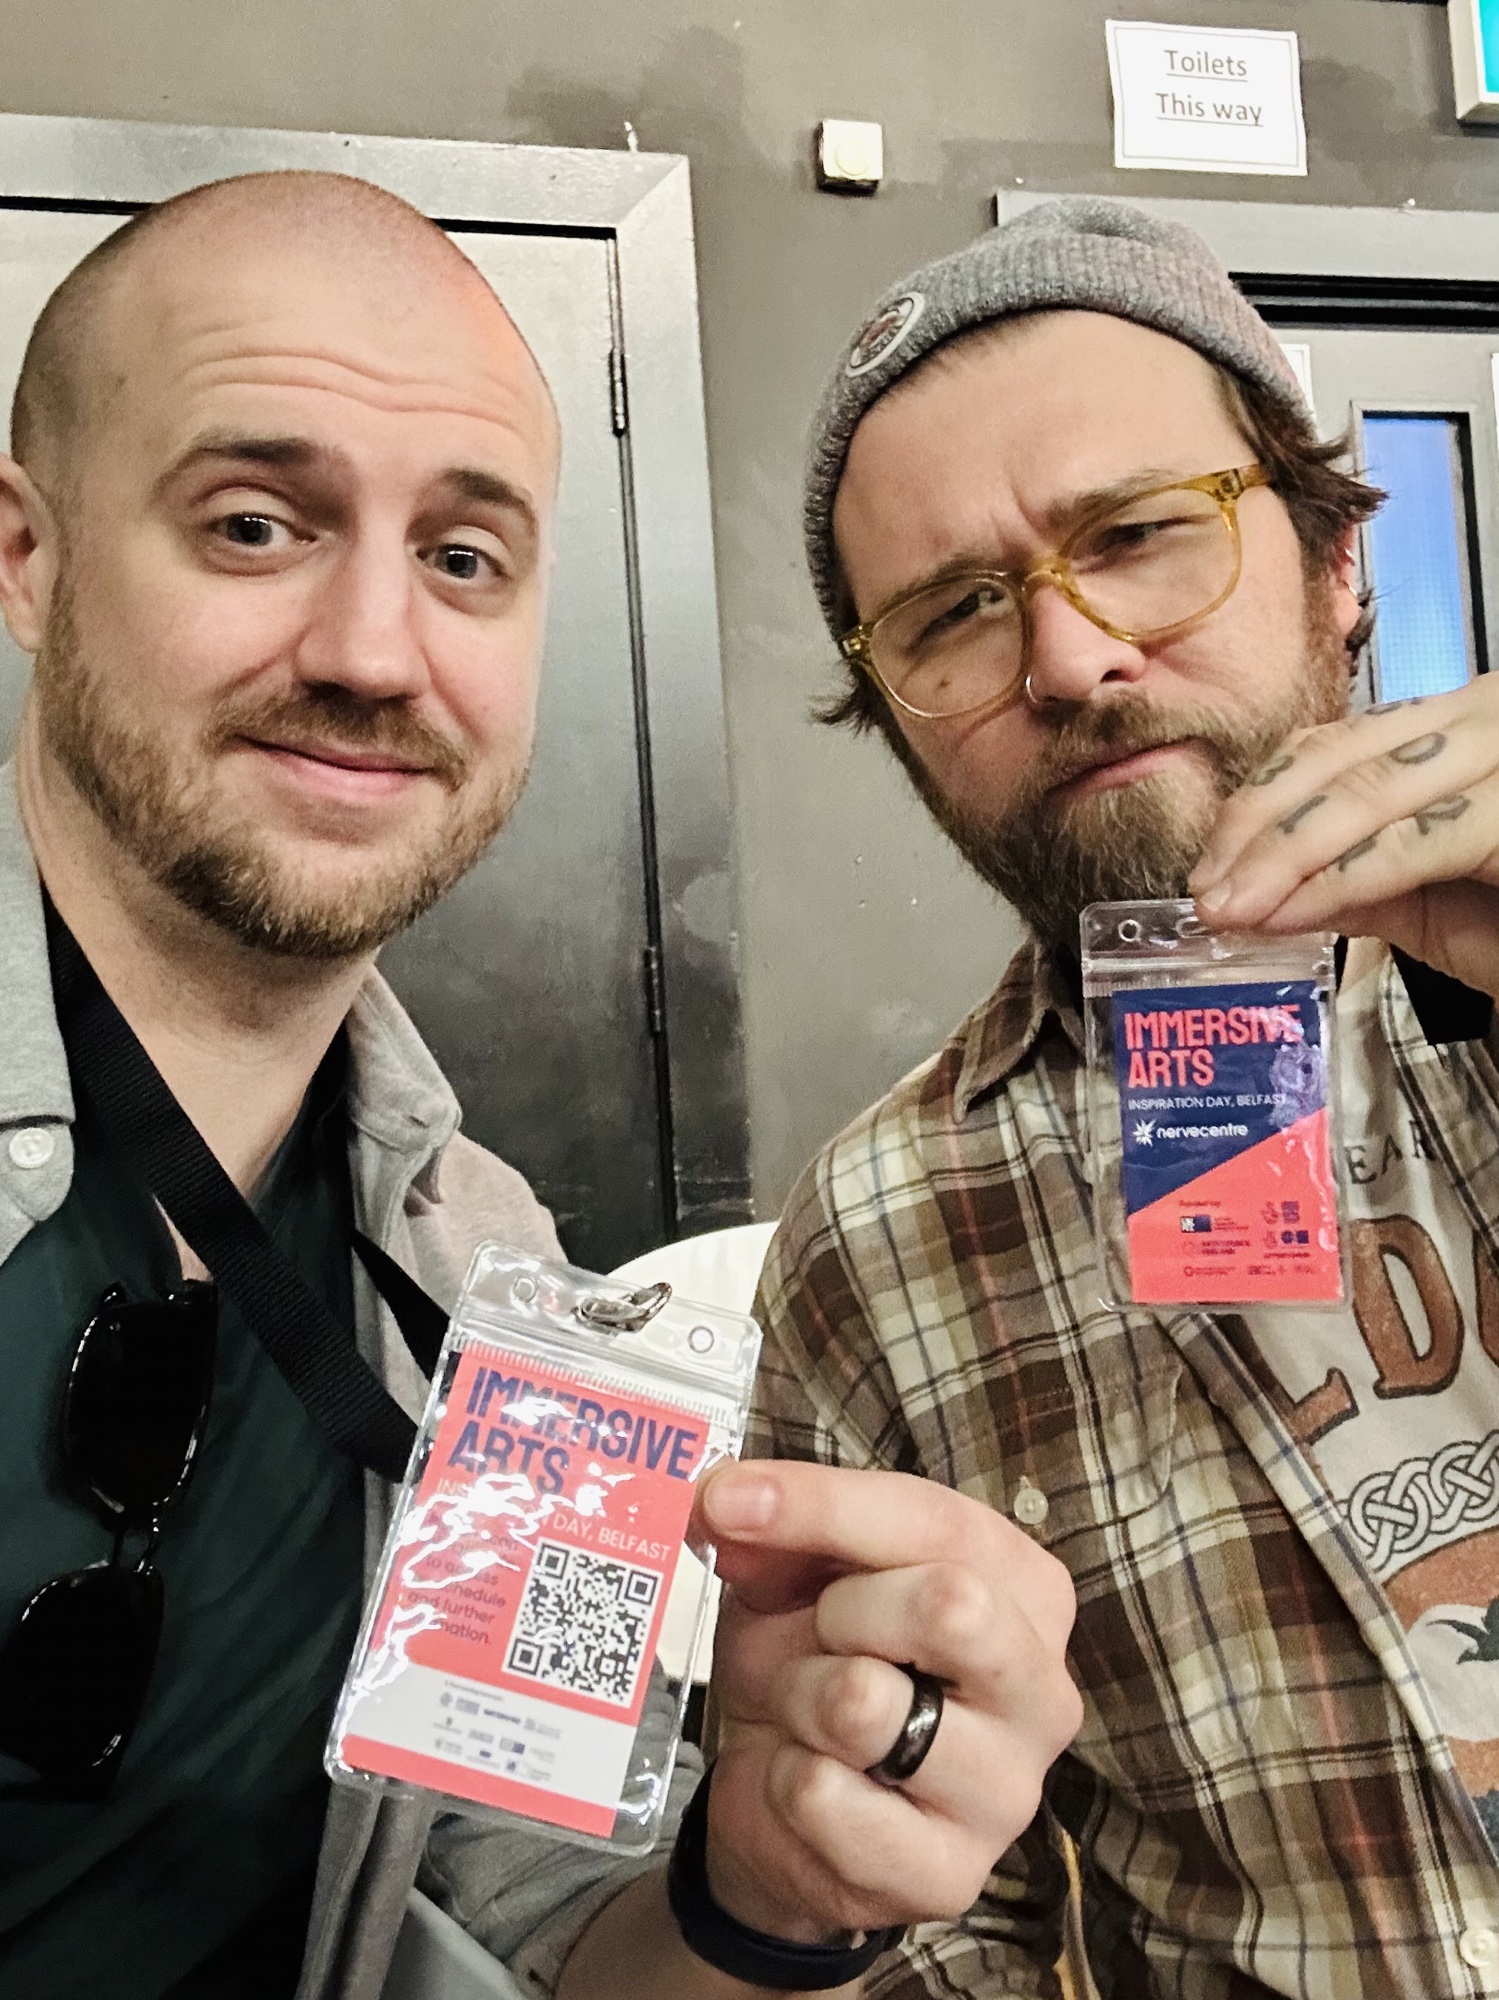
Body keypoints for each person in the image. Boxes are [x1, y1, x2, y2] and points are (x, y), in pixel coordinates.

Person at [0, 170, 1080, 2000]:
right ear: (29, 558)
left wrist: (762, 1887)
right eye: (254, 525)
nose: (370, 652)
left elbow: (542, 1935)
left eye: (464, 558)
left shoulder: (491, 1293)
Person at [744, 196, 1499, 1997]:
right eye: (952, 612)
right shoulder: (880, 1243)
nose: (1071, 658)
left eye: (1142, 534)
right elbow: (935, 1942)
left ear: (1337, 563)